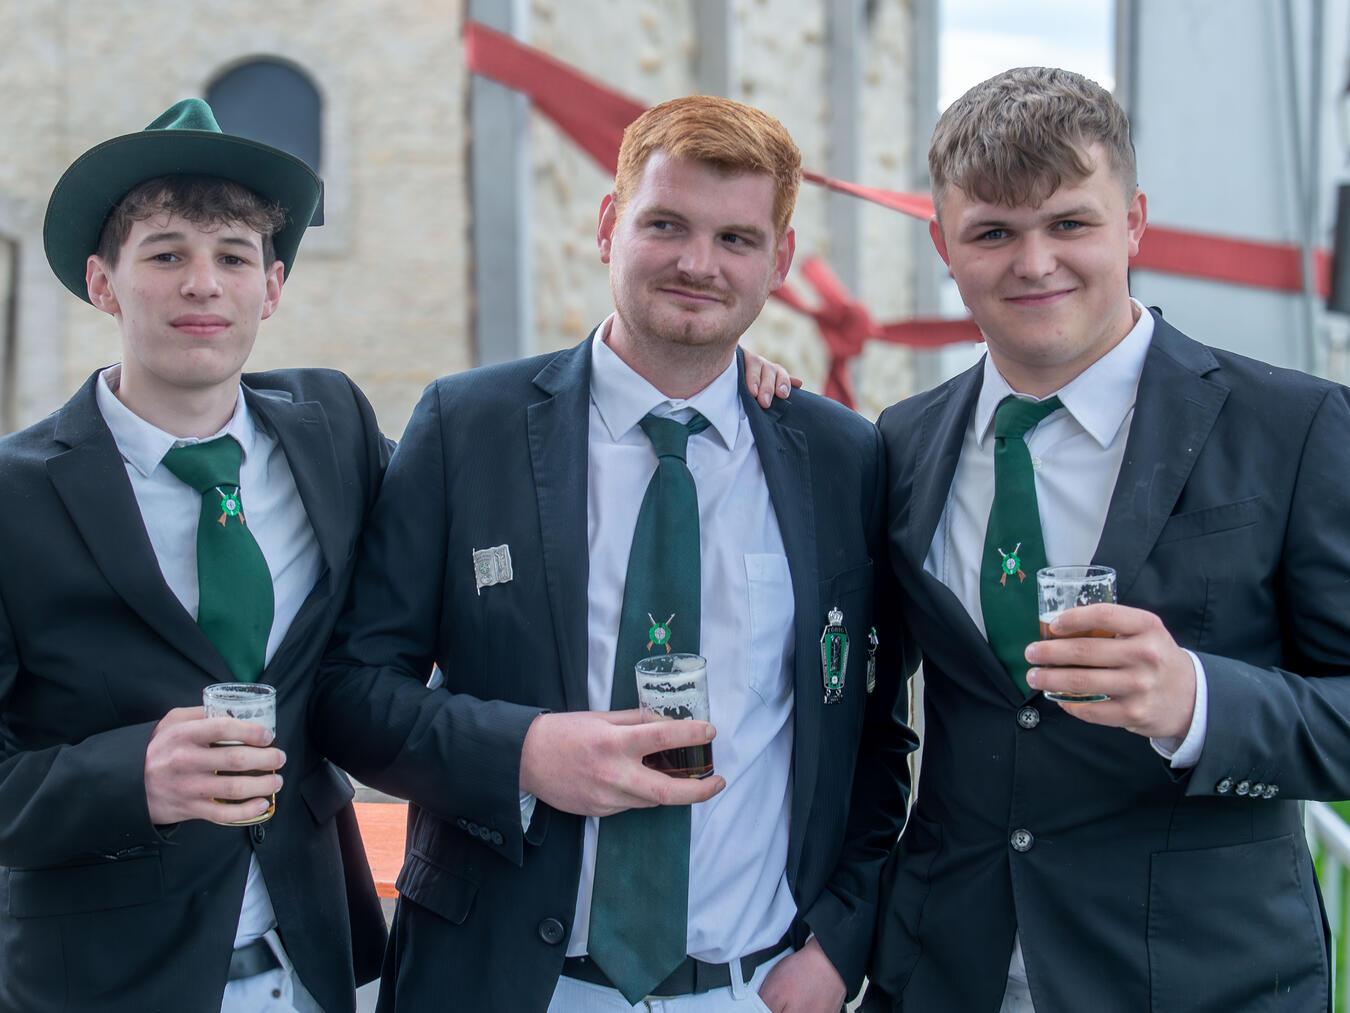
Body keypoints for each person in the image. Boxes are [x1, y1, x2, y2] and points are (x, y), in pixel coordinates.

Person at [316, 94, 916, 1012]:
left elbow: (872, 732)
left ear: (780, 261)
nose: (698, 263)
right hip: (507, 985)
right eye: (665, 224)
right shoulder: (468, 426)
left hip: (755, 988)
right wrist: (523, 752)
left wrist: (840, 944)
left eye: (736, 239)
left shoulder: (842, 457)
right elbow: (351, 690)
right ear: (608, 225)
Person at [865, 66, 1350, 1012]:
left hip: (1202, 980)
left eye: (1069, 224)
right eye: (994, 233)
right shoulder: (900, 441)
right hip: (942, 972)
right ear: (942, 245)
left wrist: (1200, 701)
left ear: (1133, 223)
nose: (1034, 263)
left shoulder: (1296, 426)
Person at [0, 99, 391, 1013]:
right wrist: (129, 775)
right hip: (100, 982)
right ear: (103, 282)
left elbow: (463, 529)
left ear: (273, 286)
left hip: (311, 963)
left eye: (234, 257)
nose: (203, 284)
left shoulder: (334, 426)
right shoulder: (13, 494)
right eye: (166, 254)